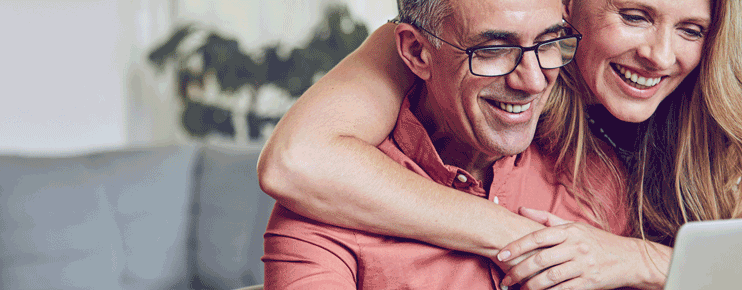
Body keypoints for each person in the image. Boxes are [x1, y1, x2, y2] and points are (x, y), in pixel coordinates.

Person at [258, 0, 742, 288]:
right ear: (570, 7)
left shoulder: (715, 117)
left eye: (691, 29)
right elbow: (298, 161)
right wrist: (530, 239)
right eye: (633, 16)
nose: (660, 56)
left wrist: (639, 261)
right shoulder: (460, 41)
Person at [261, 0, 619, 288]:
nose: (533, 80)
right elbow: (293, 162)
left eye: (549, 43)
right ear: (417, 52)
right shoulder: (328, 206)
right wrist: (516, 235)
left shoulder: (599, 180)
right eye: (493, 49)